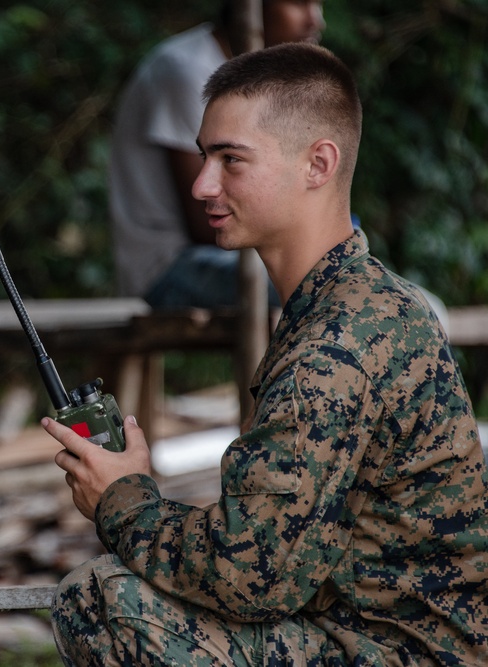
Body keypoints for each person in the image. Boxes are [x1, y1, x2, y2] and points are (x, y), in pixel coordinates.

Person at [44, 43, 488, 665]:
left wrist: (124, 498)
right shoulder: (366, 299)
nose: (202, 184)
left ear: (318, 164)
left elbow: (252, 576)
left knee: (103, 601)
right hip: (382, 634)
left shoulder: (334, 348)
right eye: (204, 156)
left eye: (231, 160)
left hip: (395, 652)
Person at [109, 0, 324, 308]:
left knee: (365, 284)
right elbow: (207, 222)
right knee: (327, 288)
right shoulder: (186, 72)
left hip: (236, 255)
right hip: (169, 266)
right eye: (298, 3)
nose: (315, 20)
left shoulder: (261, 81)